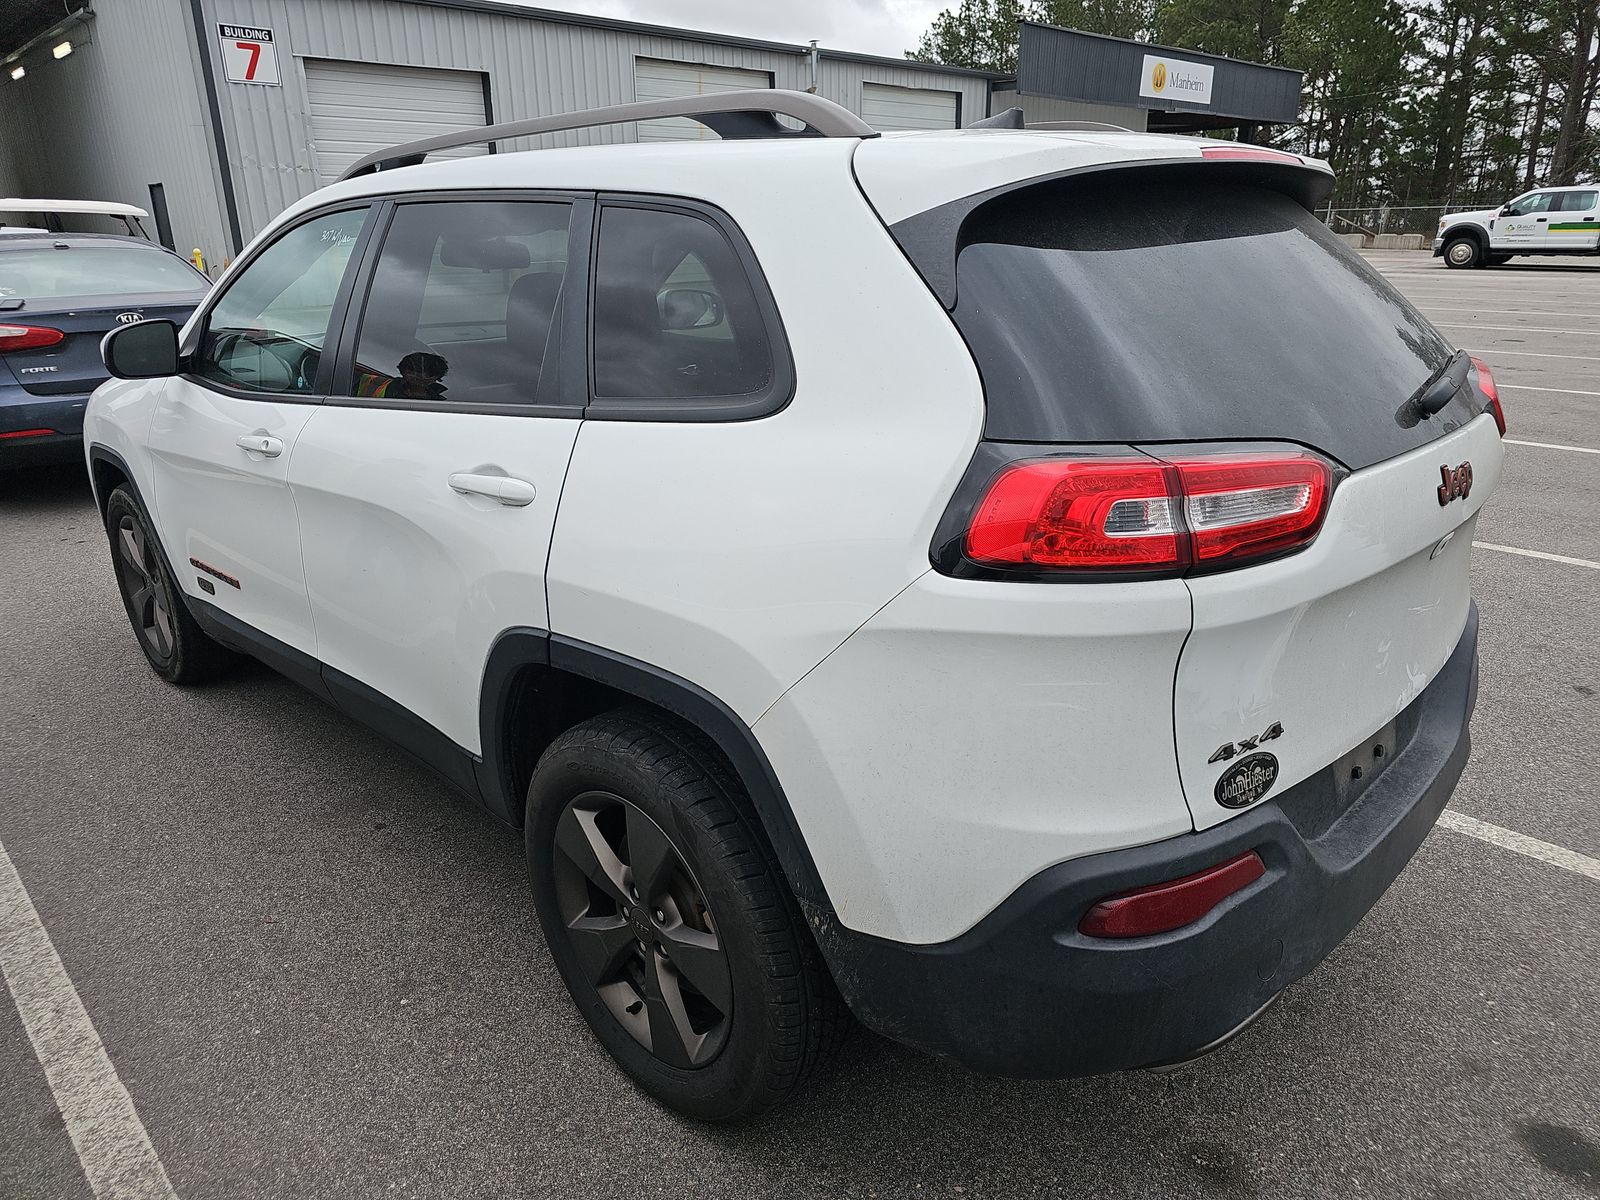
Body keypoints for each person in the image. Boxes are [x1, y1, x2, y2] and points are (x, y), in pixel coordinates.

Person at [360, 351, 449, 400]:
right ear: (403, 371)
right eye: (410, 369)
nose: (414, 375)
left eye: (420, 372)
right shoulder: (374, 382)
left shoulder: (441, 403)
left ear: (435, 378)